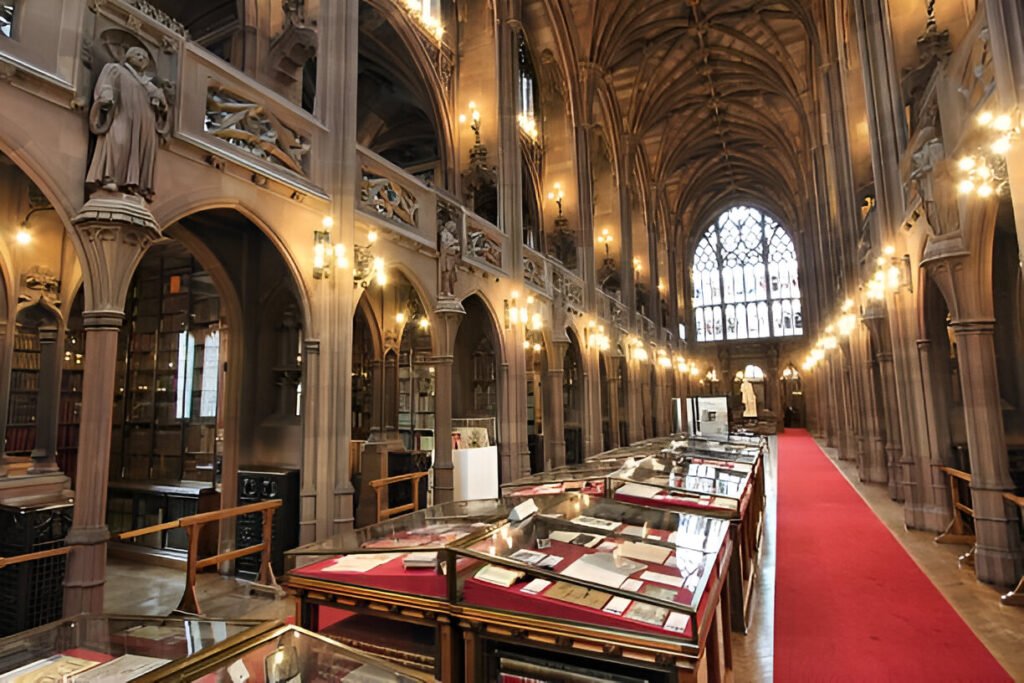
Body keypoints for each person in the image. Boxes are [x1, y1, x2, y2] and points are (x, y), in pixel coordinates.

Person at [86, 46, 169, 201]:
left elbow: (163, 109)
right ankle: (109, 177)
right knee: (119, 141)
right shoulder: (116, 70)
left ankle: (134, 185)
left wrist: (162, 104)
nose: (141, 57)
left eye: (145, 56)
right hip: (123, 114)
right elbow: (106, 85)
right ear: (128, 57)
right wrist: (106, 96)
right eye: (137, 54)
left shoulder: (149, 85)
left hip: (145, 124)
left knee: (141, 151)